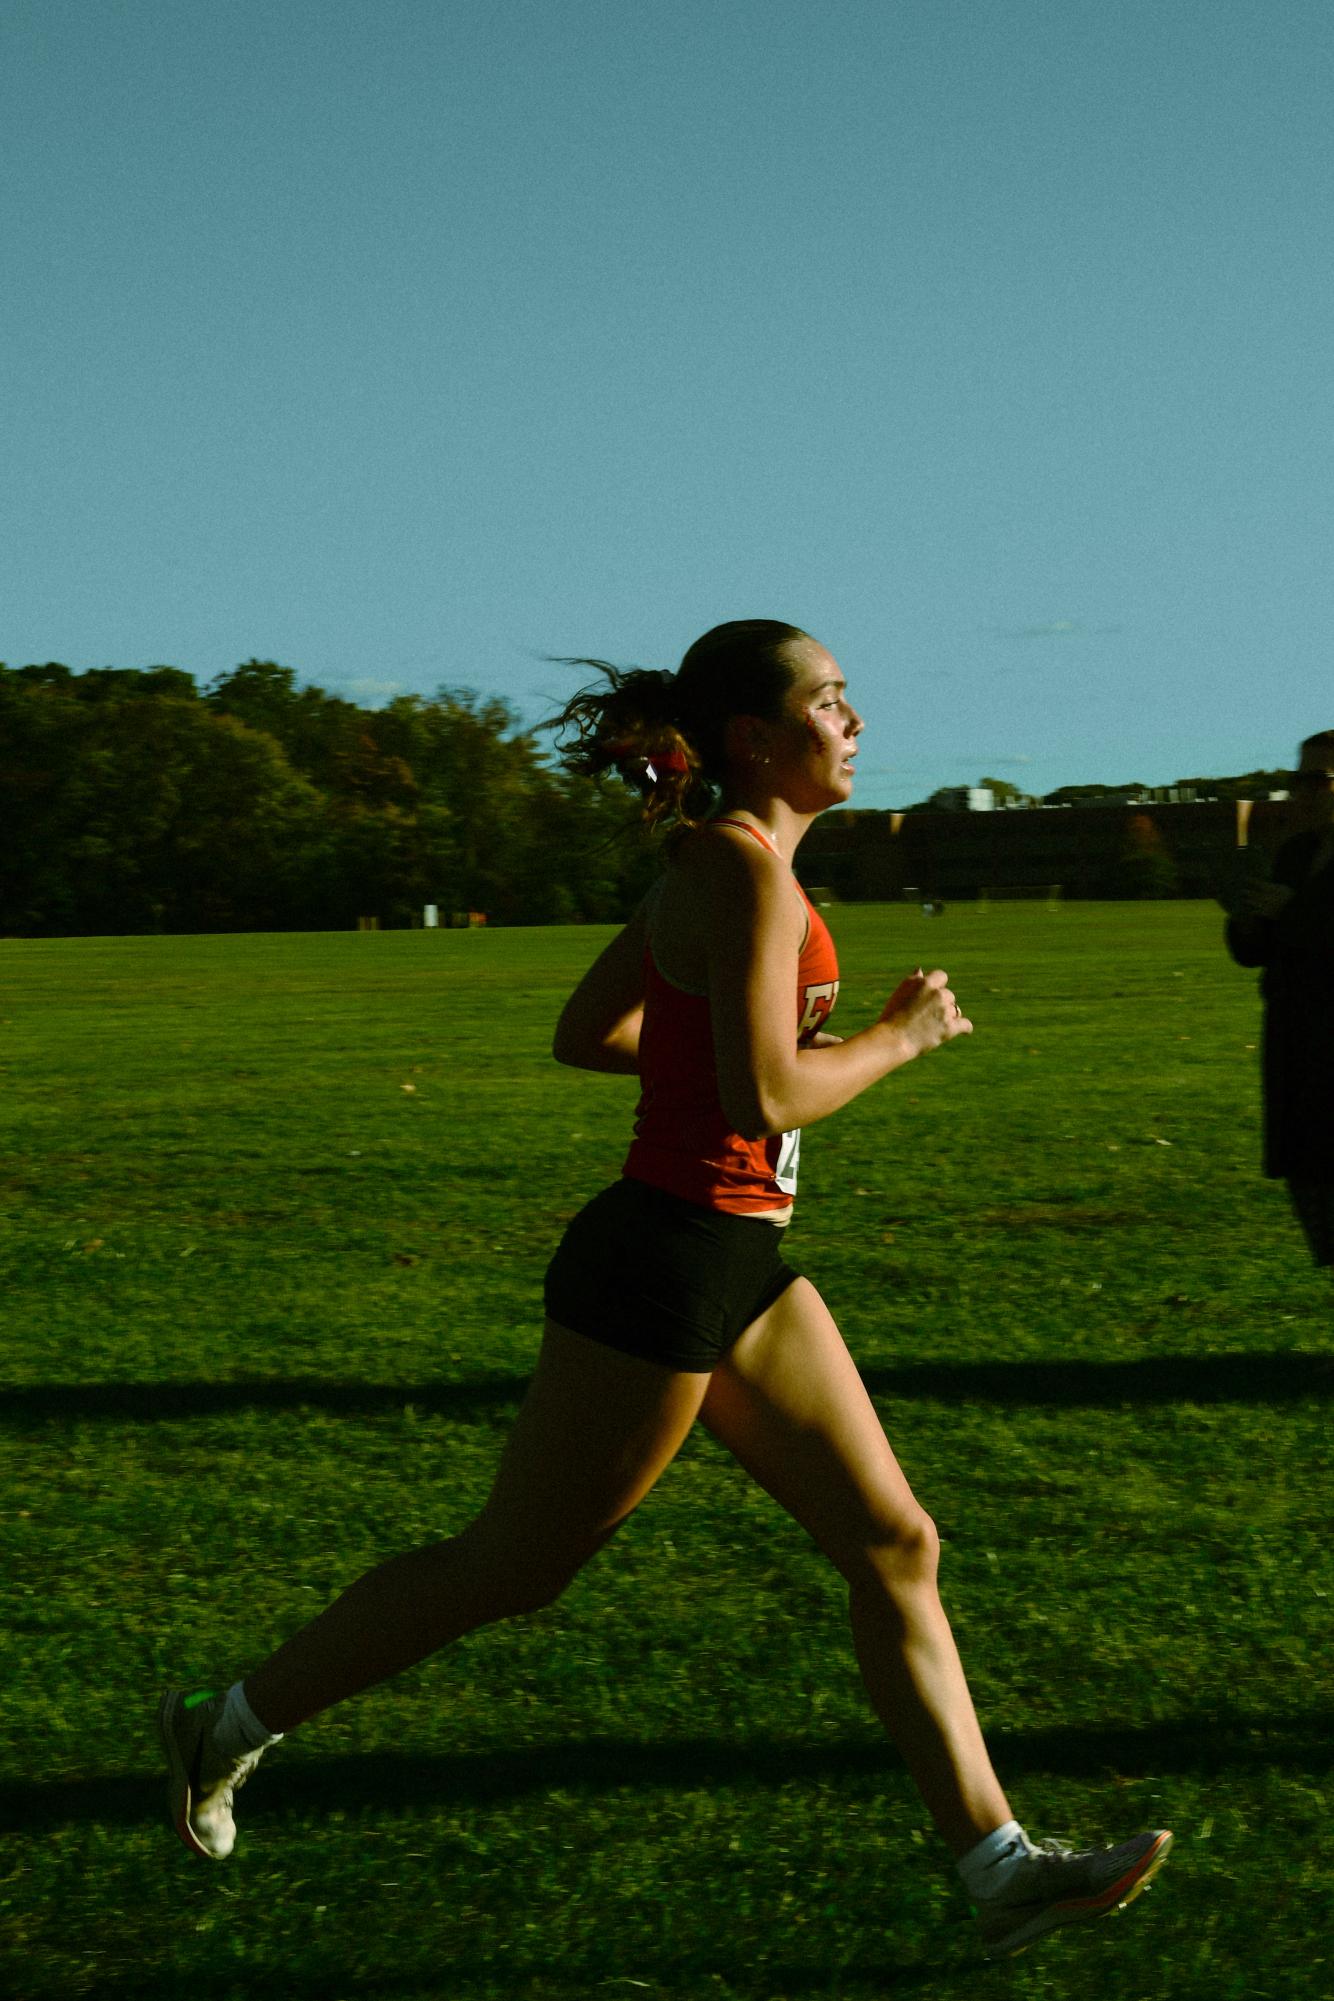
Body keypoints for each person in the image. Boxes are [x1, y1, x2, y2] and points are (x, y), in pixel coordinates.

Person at [158, 619, 1171, 1957]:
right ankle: (219, 1730)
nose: (855, 721)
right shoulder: (739, 875)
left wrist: (717, 1062)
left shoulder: (724, 866)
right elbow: (765, 1094)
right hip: (661, 1265)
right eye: (831, 701)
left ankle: (997, 1868)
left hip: (732, 1258)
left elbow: (595, 1035)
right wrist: (896, 1037)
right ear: (757, 738)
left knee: (894, 1542)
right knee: (512, 1566)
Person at [1226, 729, 1334, 1269]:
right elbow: (1258, 950)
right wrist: (1249, 921)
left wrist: (1294, 913)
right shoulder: (1296, 853)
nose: (1303, 792)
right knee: (1312, 1183)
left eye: (1319, 779)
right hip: (1298, 1048)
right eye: (1299, 778)